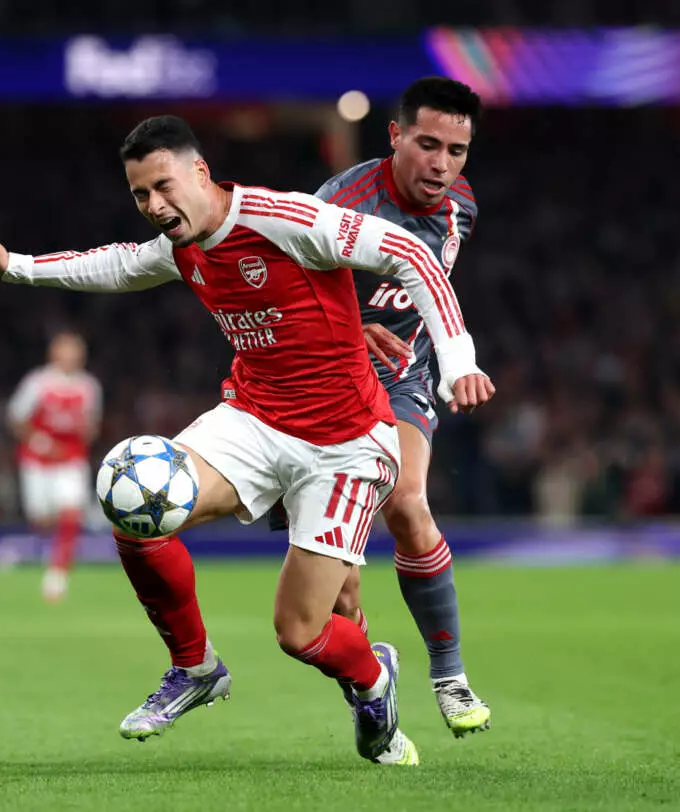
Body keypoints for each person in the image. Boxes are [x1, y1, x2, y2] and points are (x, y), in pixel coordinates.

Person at [0, 115, 493, 765]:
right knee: (135, 499)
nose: (154, 205)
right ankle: (195, 666)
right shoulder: (181, 246)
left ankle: (374, 680)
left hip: (344, 443)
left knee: (300, 631)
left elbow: (413, 255)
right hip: (254, 421)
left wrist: (457, 361)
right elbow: (113, 264)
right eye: (141, 194)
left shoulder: (284, 219)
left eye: (164, 186)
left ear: (200, 172)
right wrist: (12, 266)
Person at [268, 76, 492, 737]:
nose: (442, 164)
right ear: (395, 136)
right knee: (339, 591)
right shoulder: (340, 204)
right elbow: (272, 287)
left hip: (399, 378)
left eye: (456, 150)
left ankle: (449, 675)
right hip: (321, 383)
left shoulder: (461, 208)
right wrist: (347, 326)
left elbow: (429, 295)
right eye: (428, 144)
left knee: (408, 502)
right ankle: (371, 681)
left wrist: (454, 361)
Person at [7, 331, 102, 602]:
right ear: (54, 354)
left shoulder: (89, 386)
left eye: (76, 351)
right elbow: (16, 417)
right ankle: (48, 551)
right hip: (37, 461)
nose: (71, 356)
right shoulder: (38, 382)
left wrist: (85, 431)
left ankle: (57, 575)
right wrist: (38, 440)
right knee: (41, 519)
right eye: (66, 350)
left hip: (71, 460)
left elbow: (92, 424)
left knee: (71, 514)